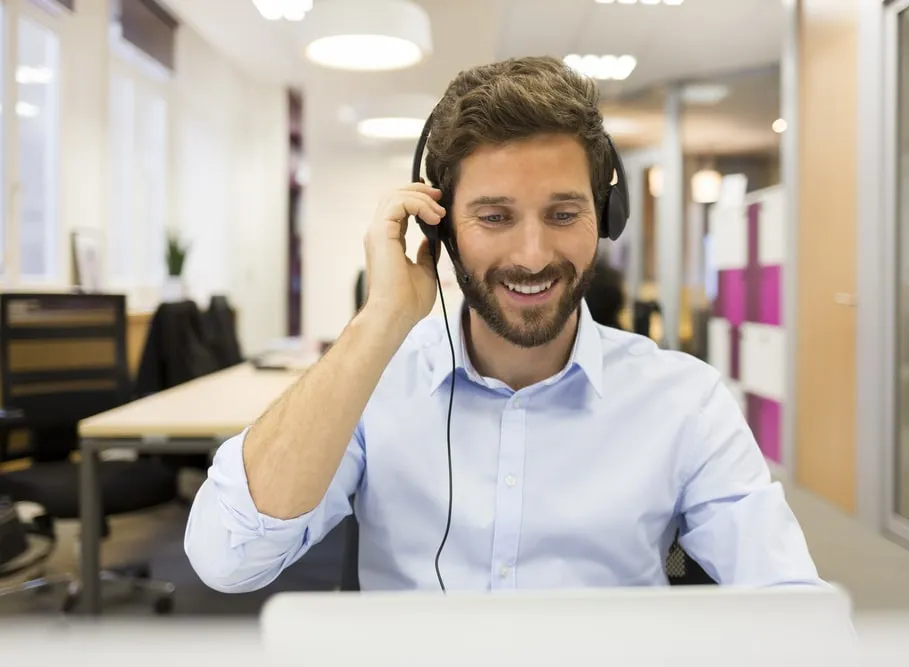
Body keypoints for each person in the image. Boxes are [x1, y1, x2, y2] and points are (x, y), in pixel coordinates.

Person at [184, 56, 822, 593]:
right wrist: (380, 319)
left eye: (563, 214)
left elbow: (789, 602)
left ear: (605, 216)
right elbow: (227, 558)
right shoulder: (375, 387)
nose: (533, 256)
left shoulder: (685, 400)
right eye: (494, 217)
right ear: (441, 230)